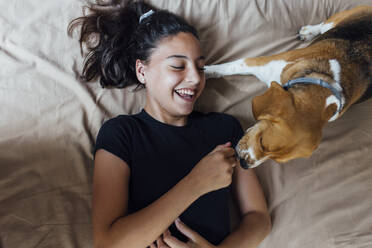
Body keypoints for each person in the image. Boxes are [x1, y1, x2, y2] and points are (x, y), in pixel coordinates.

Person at [68, 1, 271, 248]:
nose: (195, 78)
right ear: (142, 71)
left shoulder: (225, 129)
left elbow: (259, 218)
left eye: (200, 67)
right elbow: (108, 243)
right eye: (178, 66)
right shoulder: (121, 134)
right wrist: (198, 182)